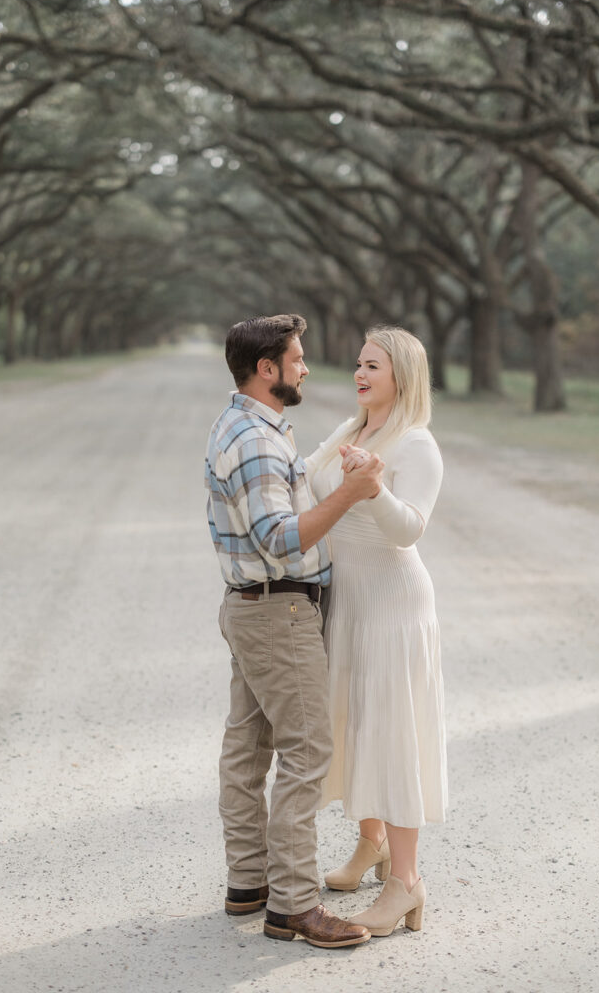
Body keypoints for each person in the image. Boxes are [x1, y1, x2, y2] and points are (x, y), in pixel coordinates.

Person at [205, 314, 384, 949]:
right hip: (276, 610)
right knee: (308, 750)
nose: (306, 367)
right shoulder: (253, 441)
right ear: (267, 369)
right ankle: (294, 905)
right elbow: (279, 539)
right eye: (298, 358)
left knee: (250, 748)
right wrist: (355, 492)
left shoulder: (257, 428)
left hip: (256, 608)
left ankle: (250, 883)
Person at [305, 325, 447, 937]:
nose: (360, 374)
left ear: (402, 377)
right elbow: (309, 476)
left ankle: (406, 883)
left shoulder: (416, 445)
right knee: (357, 725)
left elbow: (409, 529)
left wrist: (373, 486)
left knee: (393, 734)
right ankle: (372, 845)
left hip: (394, 604)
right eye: (359, 364)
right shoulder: (351, 428)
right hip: (351, 599)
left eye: (374, 367)